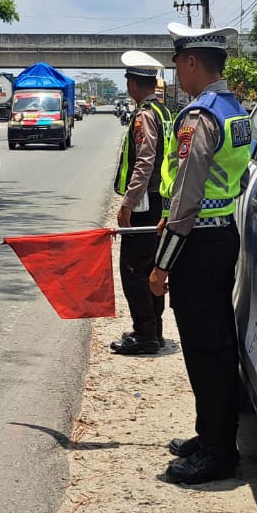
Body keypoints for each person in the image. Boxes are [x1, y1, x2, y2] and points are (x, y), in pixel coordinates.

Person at [149, 23, 251, 485]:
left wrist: (162, 264)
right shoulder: (235, 110)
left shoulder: (199, 117)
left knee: (206, 349)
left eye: (176, 64)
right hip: (219, 235)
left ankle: (217, 452)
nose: (175, 73)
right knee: (214, 344)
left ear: (191, 62)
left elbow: (188, 200)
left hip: (198, 244)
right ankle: (211, 434)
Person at [110, 50, 176, 356]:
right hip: (159, 200)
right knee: (150, 265)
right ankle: (155, 329)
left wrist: (128, 201)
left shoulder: (144, 115)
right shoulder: (163, 112)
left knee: (134, 270)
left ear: (132, 83)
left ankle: (145, 333)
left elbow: (145, 160)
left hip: (145, 202)